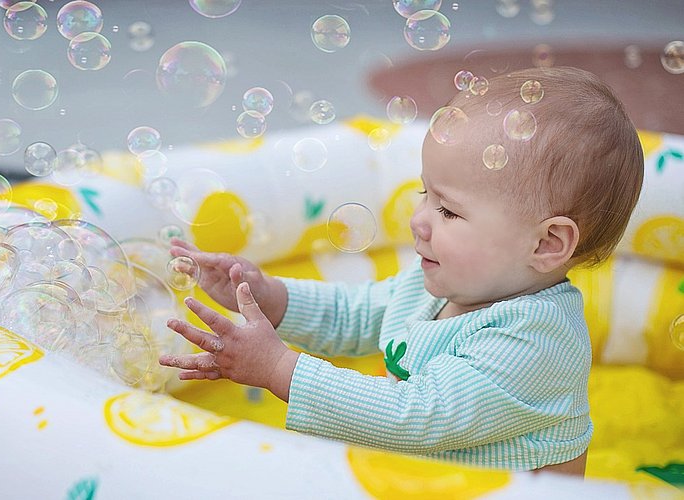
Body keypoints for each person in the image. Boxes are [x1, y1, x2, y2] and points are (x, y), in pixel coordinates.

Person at [158, 66, 644, 474]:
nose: (418, 220)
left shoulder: (537, 340)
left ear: (547, 243)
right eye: (423, 195)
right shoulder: (440, 282)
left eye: (449, 211)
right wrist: (267, 295)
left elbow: (416, 417)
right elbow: (354, 316)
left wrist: (280, 369)